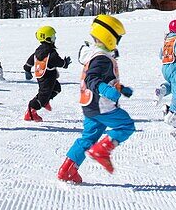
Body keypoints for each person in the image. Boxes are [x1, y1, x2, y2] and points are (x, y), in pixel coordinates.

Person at [58, 14, 135, 184]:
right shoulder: (102, 58)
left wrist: (121, 89)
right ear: (109, 37)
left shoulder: (94, 54)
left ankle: (67, 170)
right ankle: (102, 151)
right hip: (101, 106)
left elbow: (104, 78)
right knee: (126, 126)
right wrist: (108, 91)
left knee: (88, 138)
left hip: (90, 105)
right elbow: (92, 79)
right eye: (117, 38)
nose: (118, 42)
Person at [23, 25, 71, 121]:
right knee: (43, 96)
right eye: (53, 37)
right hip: (47, 78)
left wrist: (27, 68)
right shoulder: (51, 52)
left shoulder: (39, 50)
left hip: (45, 77)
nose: (54, 39)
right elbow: (58, 61)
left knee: (56, 88)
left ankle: (44, 102)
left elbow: (31, 59)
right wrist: (65, 63)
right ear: (48, 39)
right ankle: (31, 110)